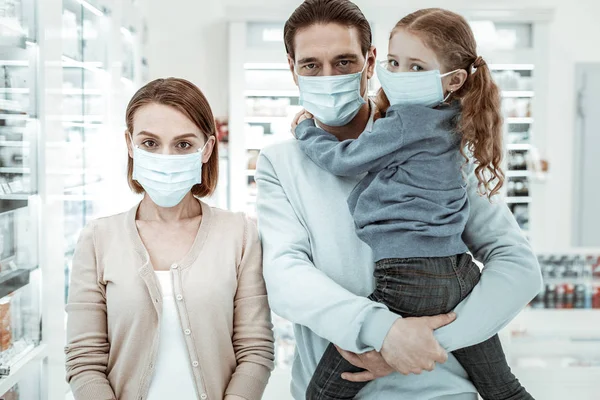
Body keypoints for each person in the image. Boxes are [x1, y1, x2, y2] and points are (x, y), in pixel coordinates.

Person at [255, 0, 542, 399]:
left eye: (343, 62)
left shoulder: (440, 145)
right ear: (292, 69)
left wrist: (422, 343)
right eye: (310, 65)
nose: (328, 77)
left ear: (371, 62)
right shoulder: (280, 163)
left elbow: (517, 267)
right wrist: (383, 332)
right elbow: (286, 277)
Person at [65, 78, 275, 400]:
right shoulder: (98, 239)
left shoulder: (240, 234)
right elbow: (84, 360)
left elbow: (255, 350)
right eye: (150, 143)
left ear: (206, 149)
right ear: (129, 144)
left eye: (183, 145)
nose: (166, 157)